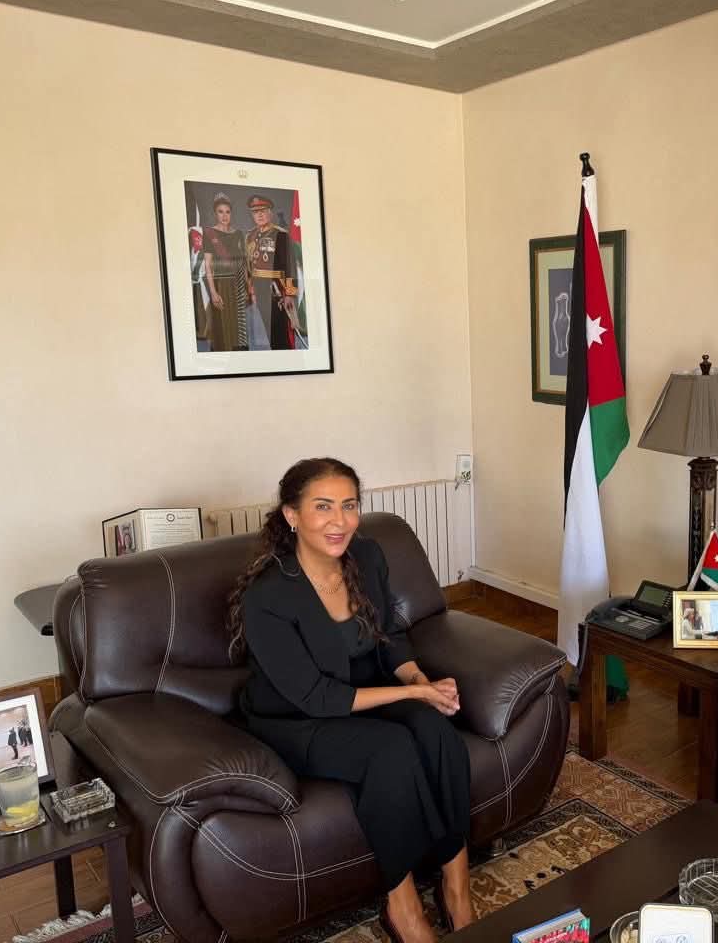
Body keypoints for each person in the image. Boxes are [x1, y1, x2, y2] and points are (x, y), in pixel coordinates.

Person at [227, 458, 472, 943]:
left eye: (349, 505)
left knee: (435, 730)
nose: (339, 521)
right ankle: (402, 907)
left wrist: (419, 678)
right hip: (294, 716)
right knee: (389, 751)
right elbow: (317, 696)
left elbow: (390, 636)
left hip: (365, 688)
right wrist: (413, 692)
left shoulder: (367, 555)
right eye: (323, 507)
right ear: (291, 515)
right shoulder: (268, 595)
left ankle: (457, 889)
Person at [245, 195, 300, 350]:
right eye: (256, 212)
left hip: (277, 289)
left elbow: (290, 265)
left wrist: (289, 294)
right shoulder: (250, 236)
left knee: (281, 331)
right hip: (259, 289)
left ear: (270, 213)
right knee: (268, 329)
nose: (259, 215)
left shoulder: (280, 234)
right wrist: (250, 288)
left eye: (263, 211)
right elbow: (249, 264)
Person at [203, 193, 253, 352]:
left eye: (227, 212)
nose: (224, 216)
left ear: (231, 213)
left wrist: (247, 287)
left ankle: (240, 361)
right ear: (215, 213)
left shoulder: (238, 234)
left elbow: (243, 263)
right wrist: (213, 292)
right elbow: (208, 265)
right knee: (223, 328)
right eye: (220, 212)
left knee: (239, 329)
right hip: (221, 285)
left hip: (238, 285)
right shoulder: (209, 233)